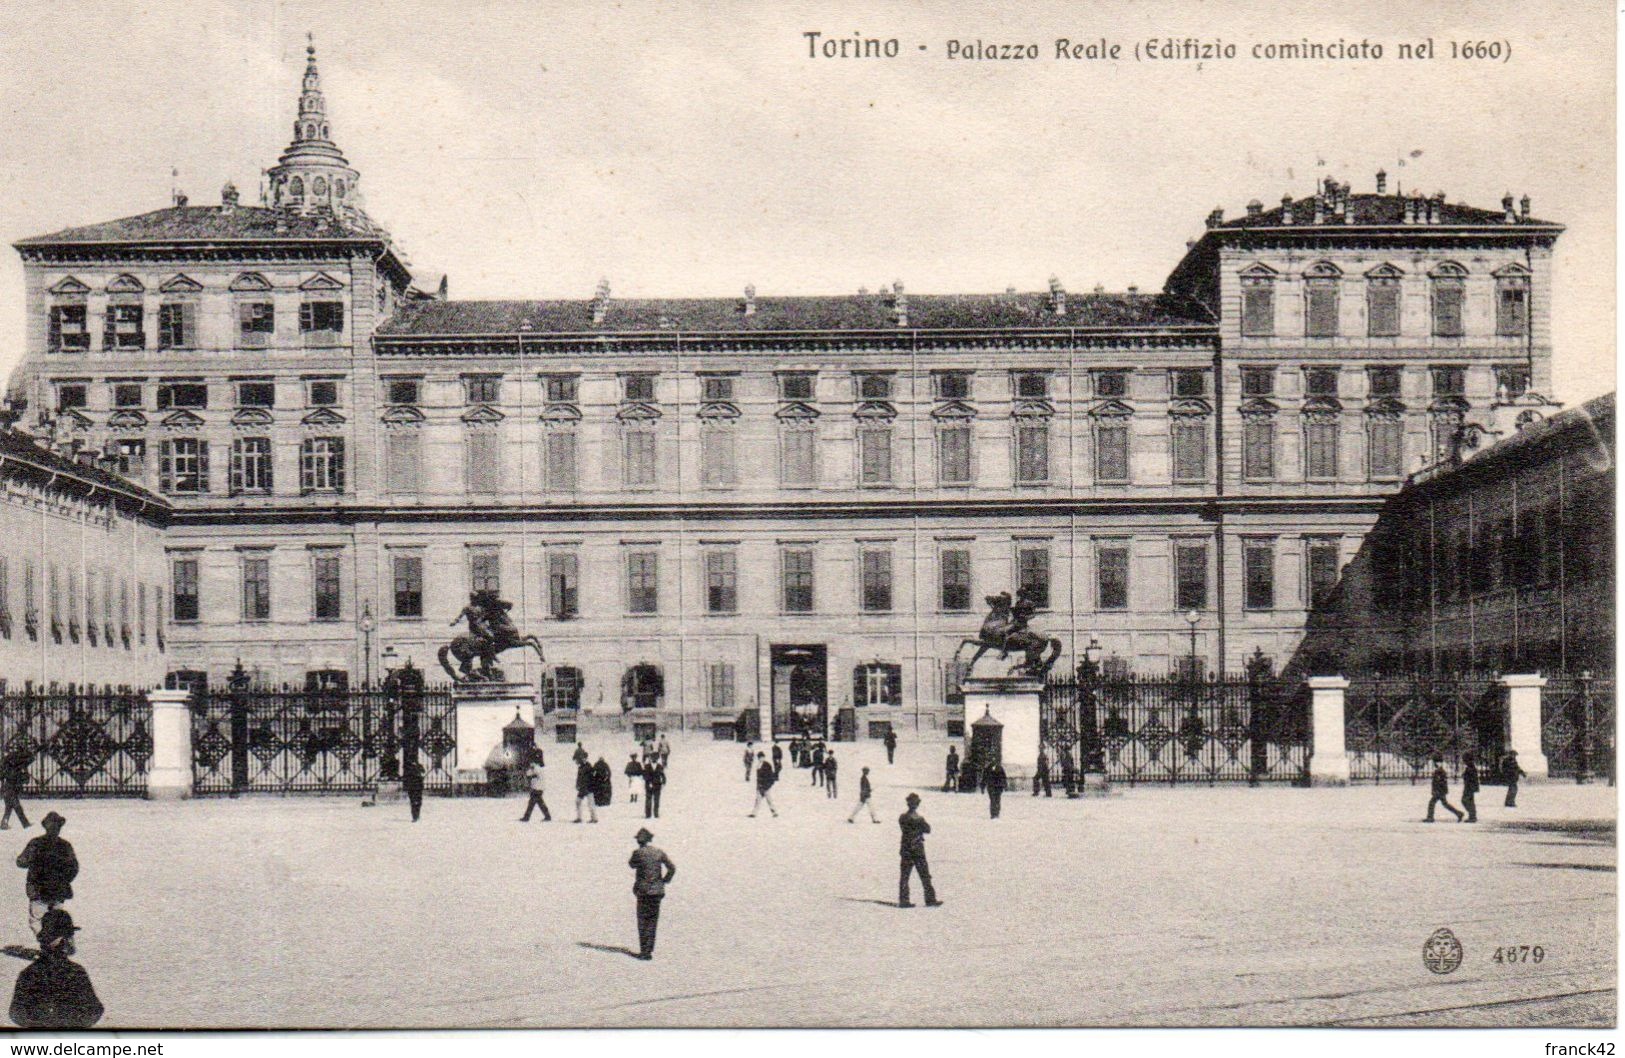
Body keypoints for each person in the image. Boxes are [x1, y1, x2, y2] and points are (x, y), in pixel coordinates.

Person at [8, 909, 101, 1029]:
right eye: (70, 935)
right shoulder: (76, 972)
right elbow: (94, 1011)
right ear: (64, 940)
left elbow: (16, 1014)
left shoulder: (28, 973)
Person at [16, 813, 76, 937]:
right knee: (58, 917)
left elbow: (22, 862)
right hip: (58, 889)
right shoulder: (65, 845)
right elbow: (74, 867)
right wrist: (65, 880)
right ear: (59, 828)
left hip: (38, 889)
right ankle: (59, 942)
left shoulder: (35, 843)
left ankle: (48, 943)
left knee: (36, 920)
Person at [628, 828, 676, 961]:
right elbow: (672, 868)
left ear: (638, 841)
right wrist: (664, 881)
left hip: (643, 891)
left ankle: (644, 951)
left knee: (642, 920)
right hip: (657, 891)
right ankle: (649, 949)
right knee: (653, 920)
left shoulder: (637, 853)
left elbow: (632, 865)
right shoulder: (659, 852)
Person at [897, 793, 941, 908]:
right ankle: (930, 899)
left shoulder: (903, 817)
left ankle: (904, 900)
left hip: (907, 849)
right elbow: (927, 829)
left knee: (905, 876)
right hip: (917, 849)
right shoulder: (919, 819)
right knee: (924, 875)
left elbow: (909, 829)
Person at [1425, 754, 1464, 822]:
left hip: (1439, 791)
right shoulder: (1440, 770)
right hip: (1441, 791)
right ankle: (1458, 813)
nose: (1434, 764)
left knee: (1432, 803)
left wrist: (1436, 791)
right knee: (1444, 804)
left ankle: (1430, 817)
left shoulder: (1439, 771)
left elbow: (1439, 783)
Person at [0, 750, 30, 831]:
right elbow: (25, 780)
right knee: (17, 807)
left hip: (8, 790)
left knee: (9, 807)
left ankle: (4, 823)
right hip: (11, 790)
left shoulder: (8, 768)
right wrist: (25, 771)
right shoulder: (17, 770)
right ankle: (25, 824)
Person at [520, 753, 551, 822]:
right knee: (540, 803)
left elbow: (528, 774)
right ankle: (547, 816)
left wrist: (529, 769)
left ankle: (526, 817)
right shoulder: (539, 768)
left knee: (532, 804)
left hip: (536, 788)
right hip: (539, 788)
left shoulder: (536, 769)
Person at [750, 754, 779, 818]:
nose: (760, 759)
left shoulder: (767, 765)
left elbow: (770, 775)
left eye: (762, 757)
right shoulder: (758, 765)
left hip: (765, 785)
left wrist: (767, 785)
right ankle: (754, 813)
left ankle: (774, 812)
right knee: (758, 799)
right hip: (760, 785)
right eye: (759, 758)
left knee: (769, 800)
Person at [574, 758, 598, 823]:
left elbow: (592, 776)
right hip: (584, 788)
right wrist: (577, 784)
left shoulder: (587, 767)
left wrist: (578, 784)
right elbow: (579, 777)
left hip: (587, 788)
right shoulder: (583, 767)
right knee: (580, 802)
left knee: (587, 803)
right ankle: (592, 818)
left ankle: (593, 818)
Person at [1461, 752, 1480, 823]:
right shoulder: (1470, 766)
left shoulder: (1470, 767)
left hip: (1469, 787)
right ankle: (1472, 816)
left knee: (1465, 801)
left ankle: (1472, 816)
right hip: (1470, 787)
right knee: (1470, 801)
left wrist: (1464, 775)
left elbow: (1471, 778)